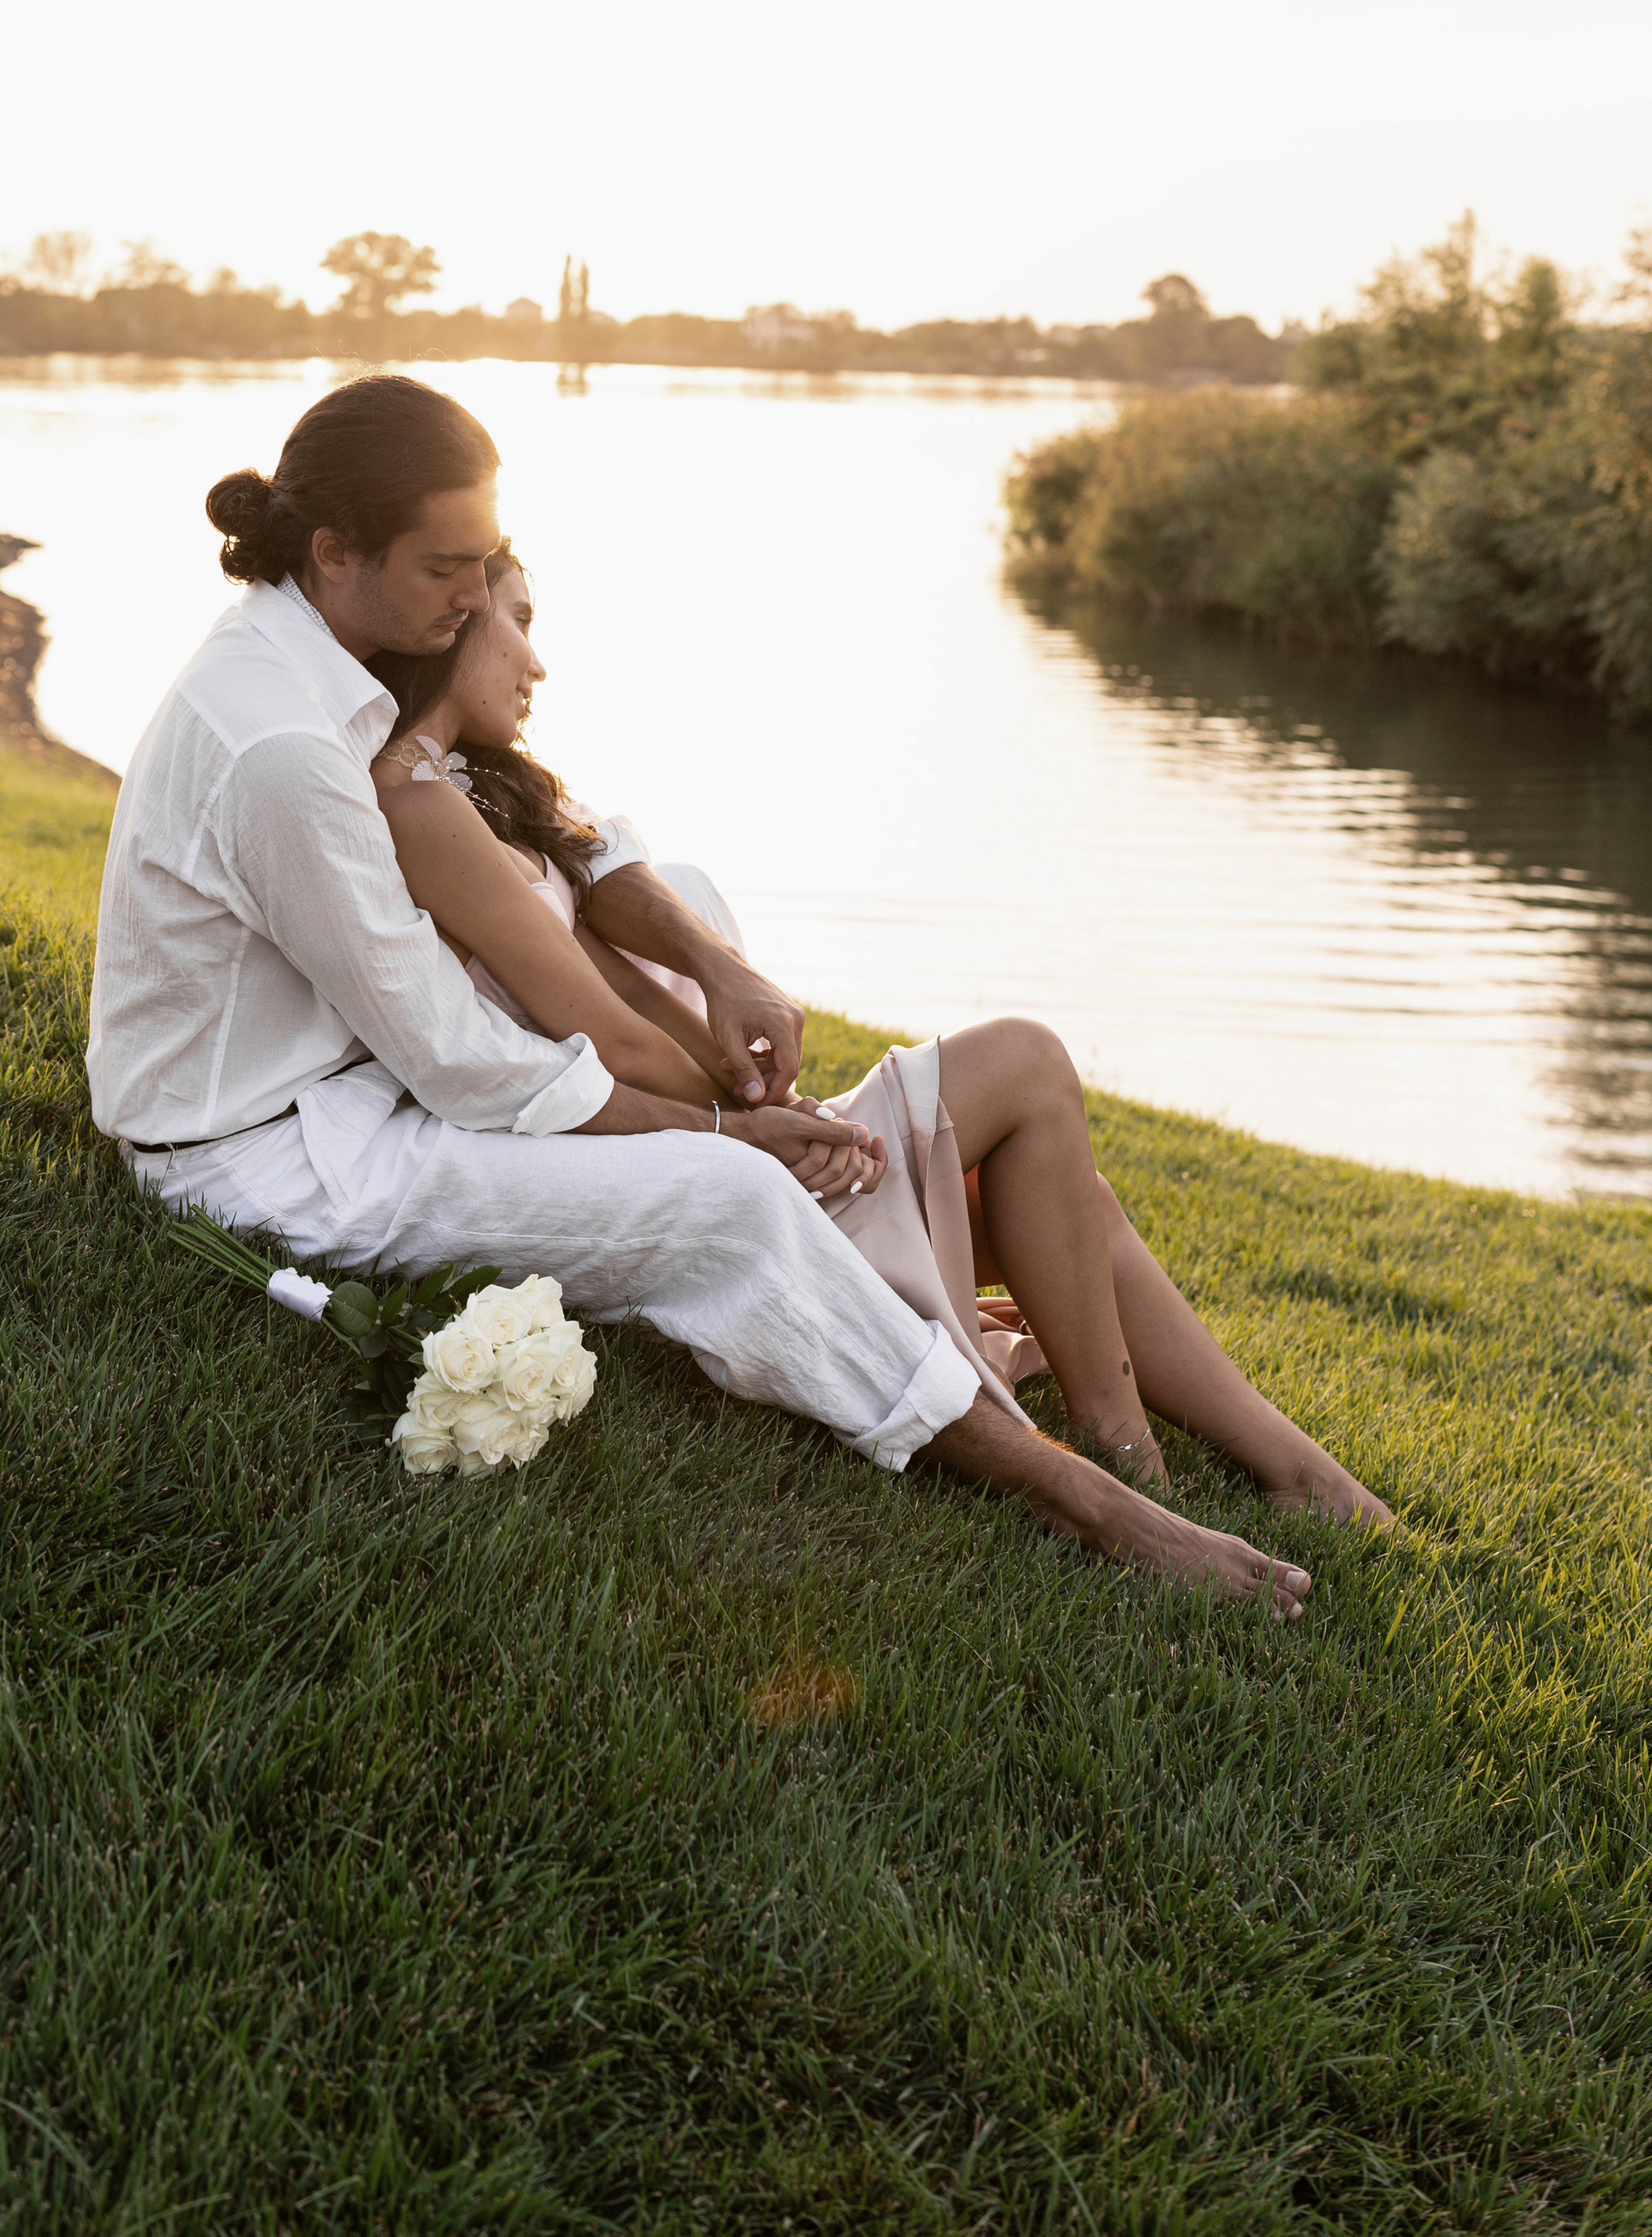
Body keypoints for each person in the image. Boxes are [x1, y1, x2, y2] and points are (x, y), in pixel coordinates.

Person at [87, 371, 1335, 1612]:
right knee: (731, 1197)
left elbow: (574, 864)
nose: (476, 599)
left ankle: (1066, 1370)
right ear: (335, 552)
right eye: (448, 571)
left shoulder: (325, 675)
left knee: (745, 1070)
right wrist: (729, 1134)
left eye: (489, 571)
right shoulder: (289, 751)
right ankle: (1090, 1501)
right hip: (269, 1155)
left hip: (348, 1092)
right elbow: (459, 1062)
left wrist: (718, 974)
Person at [366, 538, 1393, 1531]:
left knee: (1072, 1200)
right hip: (668, 1163)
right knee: (1026, 1060)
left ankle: (1281, 1466)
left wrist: (769, 1094)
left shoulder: (483, 785)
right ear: (455, 621)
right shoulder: (417, 801)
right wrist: (747, 1130)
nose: (538, 659)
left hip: (710, 1126)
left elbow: (630, 984)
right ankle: (1128, 1447)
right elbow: (606, 1044)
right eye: (520, 621)